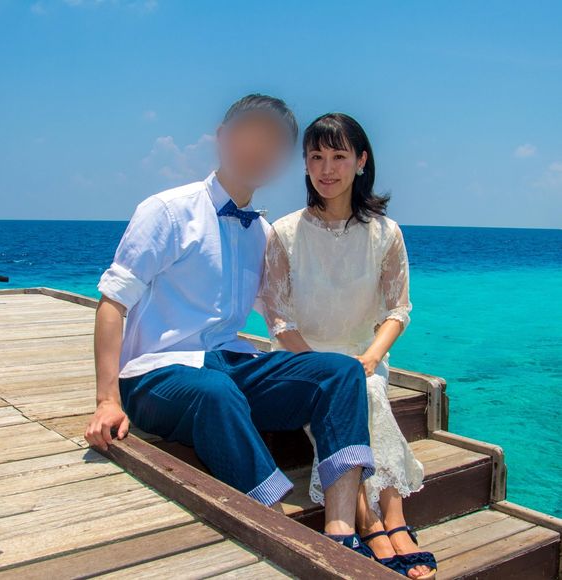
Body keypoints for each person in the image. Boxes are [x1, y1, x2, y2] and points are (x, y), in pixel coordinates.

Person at [84, 95, 378, 558]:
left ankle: (341, 532)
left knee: (339, 372)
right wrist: (107, 401)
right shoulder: (168, 210)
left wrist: (318, 361)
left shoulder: (261, 234)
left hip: (231, 363)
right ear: (222, 138)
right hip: (155, 375)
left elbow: (277, 315)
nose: (258, 151)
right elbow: (112, 302)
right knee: (216, 392)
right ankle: (281, 530)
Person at [260, 112, 437, 578]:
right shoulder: (284, 233)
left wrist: (371, 357)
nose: (326, 168)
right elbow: (278, 319)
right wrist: (321, 367)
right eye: (316, 156)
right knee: (348, 390)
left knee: (367, 387)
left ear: (361, 161)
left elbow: (398, 310)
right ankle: (381, 522)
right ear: (304, 164)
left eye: (339, 156)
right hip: (300, 361)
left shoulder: (386, 233)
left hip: (364, 358)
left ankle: (384, 518)